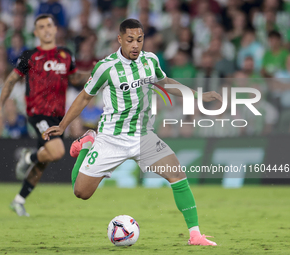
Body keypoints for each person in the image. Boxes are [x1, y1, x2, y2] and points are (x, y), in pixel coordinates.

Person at [44, 19, 221, 246]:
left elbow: (165, 82)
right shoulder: (105, 67)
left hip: (143, 136)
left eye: (139, 39)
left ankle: (195, 235)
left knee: (177, 175)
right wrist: (63, 124)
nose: (135, 45)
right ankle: (88, 144)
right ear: (120, 40)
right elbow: (85, 97)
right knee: (80, 192)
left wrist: (198, 95)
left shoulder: (150, 60)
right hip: (111, 138)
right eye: (130, 40)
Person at [0, 14, 89, 217]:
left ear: (54, 29)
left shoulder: (65, 55)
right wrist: (0, 106)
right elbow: (10, 81)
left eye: (49, 25)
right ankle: (28, 156)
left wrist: (95, 72)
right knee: (58, 151)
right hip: (38, 114)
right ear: (36, 32)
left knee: (44, 161)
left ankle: (19, 200)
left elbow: (76, 77)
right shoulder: (30, 56)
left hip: (58, 118)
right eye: (41, 27)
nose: (46, 29)